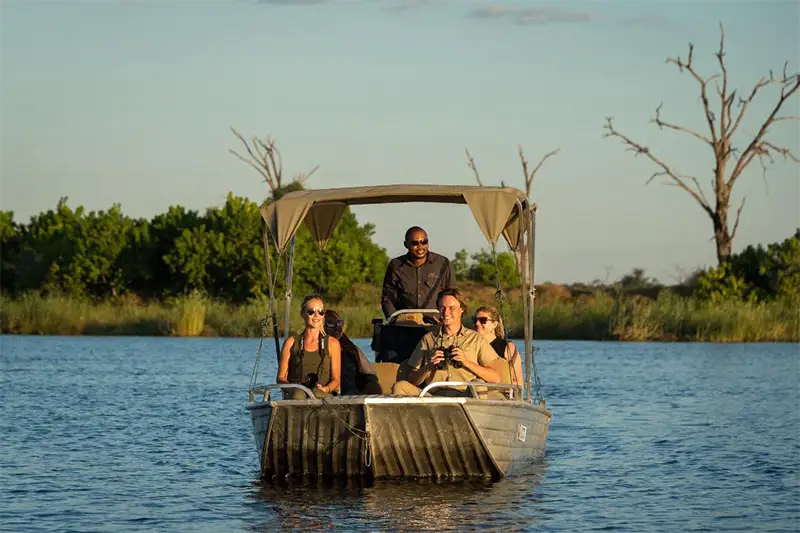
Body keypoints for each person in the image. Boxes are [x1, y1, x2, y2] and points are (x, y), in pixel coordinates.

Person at [392, 288, 501, 397]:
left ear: (462, 309)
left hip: (465, 396)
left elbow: (495, 377)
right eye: (442, 308)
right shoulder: (428, 339)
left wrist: (466, 361)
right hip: (433, 397)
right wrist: (429, 367)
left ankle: (475, 413)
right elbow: (411, 380)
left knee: (479, 385)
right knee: (400, 386)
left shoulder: (475, 339)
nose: (446, 312)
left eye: (451, 308)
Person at [380, 226, 456, 319]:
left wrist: (446, 318)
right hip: (405, 324)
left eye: (424, 242)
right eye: (415, 243)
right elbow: (388, 298)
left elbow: (452, 295)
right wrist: (394, 319)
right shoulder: (395, 265)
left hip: (435, 323)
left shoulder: (443, 264)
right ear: (406, 244)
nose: (420, 247)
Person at [277, 294, 341, 399]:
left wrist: (326, 389)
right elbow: (280, 377)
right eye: (311, 312)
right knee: (298, 395)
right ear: (302, 314)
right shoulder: (291, 342)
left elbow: (336, 380)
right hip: (297, 394)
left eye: (320, 312)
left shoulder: (332, 343)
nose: (316, 316)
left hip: (322, 394)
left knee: (317, 394)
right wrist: (293, 388)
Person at [323, 309, 382, 395]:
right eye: (331, 324)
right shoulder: (313, 348)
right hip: (326, 391)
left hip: (351, 393)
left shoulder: (352, 350)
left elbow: (371, 375)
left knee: (373, 385)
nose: (337, 328)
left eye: (339, 324)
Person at [473, 305, 524, 398]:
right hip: (475, 392)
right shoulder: (472, 345)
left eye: (483, 320)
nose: (477, 323)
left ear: (494, 324)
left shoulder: (507, 347)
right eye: (475, 320)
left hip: (500, 396)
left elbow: (517, 380)